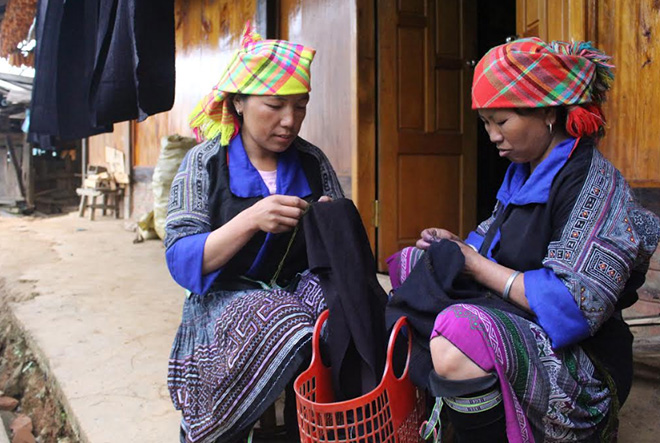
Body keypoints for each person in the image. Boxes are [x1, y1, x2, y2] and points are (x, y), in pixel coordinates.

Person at [386, 37, 660, 442]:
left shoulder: (594, 184)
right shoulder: (524, 173)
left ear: (548, 112)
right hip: (526, 321)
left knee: (459, 332)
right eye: (485, 123)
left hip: (582, 363)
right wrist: (458, 246)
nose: (492, 135)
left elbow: (575, 306)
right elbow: (497, 241)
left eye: (502, 121)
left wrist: (474, 263)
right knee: (415, 264)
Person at [164, 24, 344, 443]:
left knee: (342, 310)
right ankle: (225, 427)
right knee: (285, 322)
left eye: (300, 106)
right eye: (275, 105)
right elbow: (182, 259)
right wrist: (249, 220)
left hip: (295, 288)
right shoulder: (205, 164)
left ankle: (317, 427)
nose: (290, 120)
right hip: (224, 299)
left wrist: (329, 221)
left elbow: (339, 248)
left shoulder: (312, 162)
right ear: (239, 103)